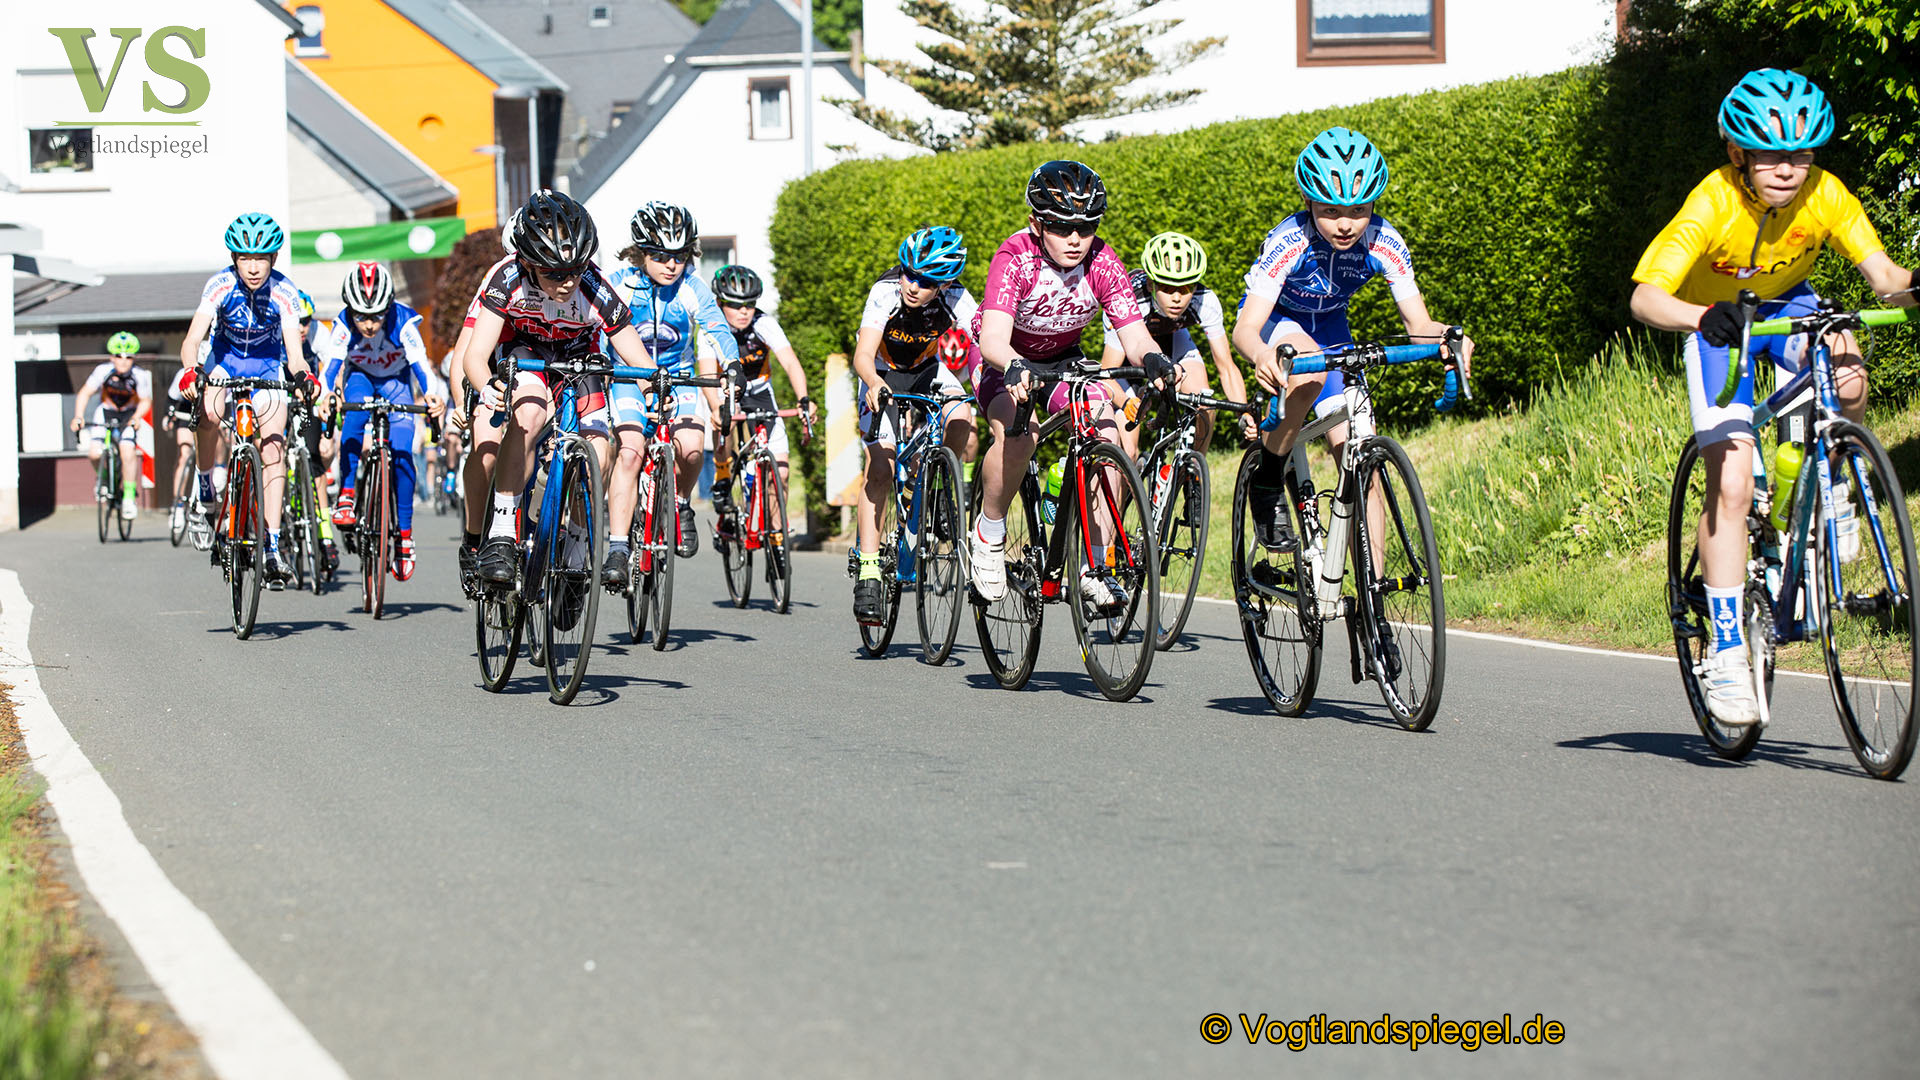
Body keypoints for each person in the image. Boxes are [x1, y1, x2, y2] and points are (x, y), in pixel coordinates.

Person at [1629, 69, 1916, 727]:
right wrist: (1701, 317)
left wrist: (1914, 285)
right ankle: (1727, 650)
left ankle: (1834, 495)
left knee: (1846, 367)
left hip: (1789, 308)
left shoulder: (1827, 194)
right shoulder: (1712, 201)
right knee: (1730, 485)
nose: (1788, 169)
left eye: (1802, 153)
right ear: (1739, 154)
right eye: (1771, 154)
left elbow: (1885, 280)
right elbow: (1646, 296)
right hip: (1717, 324)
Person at [1232, 126, 1472, 559]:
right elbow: (1245, 329)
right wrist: (1263, 354)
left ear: (1374, 204)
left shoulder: (1385, 241)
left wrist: (1450, 337)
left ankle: (1372, 597)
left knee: (1361, 457)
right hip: (1278, 322)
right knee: (1310, 368)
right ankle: (1267, 479)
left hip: (1332, 327)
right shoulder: (1289, 240)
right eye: (1329, 210)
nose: (1346, 224)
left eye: (1360, 210)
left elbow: (1418, 324)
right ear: (1308, 203)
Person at [967, 159, 1175, 610]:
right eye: (1062, 227)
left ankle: (1093, 567)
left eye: (1087, 226)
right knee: (1022, 436)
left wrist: (1154, 358)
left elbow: (1134, 334)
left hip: (1061, 359)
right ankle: (989, 530)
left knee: (1107, 431)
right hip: (1004, 359)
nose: (1076, 239)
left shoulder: (1103, 260)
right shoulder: (1015, 256)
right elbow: (992, 339)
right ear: (1036, 224)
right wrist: (1016, 366)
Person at [460, 190, 658, 586]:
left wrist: (653, 389)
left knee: (598, 453)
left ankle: (577, 550)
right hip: (526, 351)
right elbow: (474, 355)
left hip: (579, 357)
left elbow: (638, 360)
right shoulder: (507, 278)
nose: (567, 282)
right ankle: (501, 531)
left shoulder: (593, 287)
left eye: (575, 270)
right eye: (554, 274)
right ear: (530, 264)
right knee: (528, 412)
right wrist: (486, 387)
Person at [602, 202, 741, 584]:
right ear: (641, 253)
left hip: (678, 376)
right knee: (629, 453)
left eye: (679, 256)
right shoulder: (619, 282)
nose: (671, 265)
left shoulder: (692, 286)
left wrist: (733, 366)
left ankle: (680, 503)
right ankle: (617, 546)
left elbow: (715, 327)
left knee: (693, 448)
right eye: (661, 256)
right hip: (627, 377)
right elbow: (598, 328)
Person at [178, 213, 320, 583]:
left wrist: (304, 377)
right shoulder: (220, 285)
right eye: (245, 258)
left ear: (273, 259)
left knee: (273, 445)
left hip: (266, 369)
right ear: (234, 257)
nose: (253, 268)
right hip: (224, 362)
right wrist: (193, 369)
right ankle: (206, 486)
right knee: (208, 412)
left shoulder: (285, 292)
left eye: (261, 258)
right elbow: (192, 340)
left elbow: (295, 354)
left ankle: (272, 546)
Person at [850, 226, 978, 623]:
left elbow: (981, 347)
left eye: (926, 282)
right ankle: (869, 569)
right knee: (882, 467)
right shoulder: (885, 291)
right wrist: (873, 383)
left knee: (964, 419)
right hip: (882, 371)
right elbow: (863, 354)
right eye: (910, 274)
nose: (913, 286)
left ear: (944, 284)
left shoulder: (958, 297)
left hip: (925, 369)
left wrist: (987, 387)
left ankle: (937, 481)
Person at [323, 261, 444, 581]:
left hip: (396, 384)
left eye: (377, 315)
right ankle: (347, 494)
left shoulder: (403, 322)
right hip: (361, 380)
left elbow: (423, 369)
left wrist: (432, 396)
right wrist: (326, 396)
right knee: (353, 417)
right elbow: (330, 370)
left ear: (388, 308)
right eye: (361, 316)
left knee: (404, 457)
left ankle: (404, 536)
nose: (369, 324)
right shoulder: (343, 324)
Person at [1099, 231, 1250, 460]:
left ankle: (1193, 474)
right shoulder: (1127, 302)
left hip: (1174, 345)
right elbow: (1107, 373)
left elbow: (1226, 367)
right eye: (1168, 288)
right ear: (1151, 284)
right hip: (1130, 359)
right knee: (1127, 451)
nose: (1178, 297)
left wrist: (1243, 412)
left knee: (1205, 402)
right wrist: (1127, 402)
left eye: (1186, 287)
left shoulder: (1205, 300)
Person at [710, 264, 813, 538]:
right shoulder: (710, 327)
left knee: (781, 471)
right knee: (725, 419)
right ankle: (722, 477)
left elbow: (790, 363)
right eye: (735, 305)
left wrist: (804, 400)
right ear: (720, 303)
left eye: (750, 304)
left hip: (759, 390)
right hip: (723, 389)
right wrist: (715, 408)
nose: (744, 311)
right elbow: (706, 369)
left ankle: (777, 535)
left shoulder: (764, 323)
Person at [72, 331, 152, 521]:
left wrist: (137, 417)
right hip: (106, 411)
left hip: (128, 414)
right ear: (111, 357)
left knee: (127, 451)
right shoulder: (102, 371)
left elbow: (145, 401)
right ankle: (104, 479)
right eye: (118, 356)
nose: (123, 361)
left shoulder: (139, 375)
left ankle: (129, 497)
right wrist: (78, 417)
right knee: (94, 453)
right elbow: (84, 393)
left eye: (128, 357)